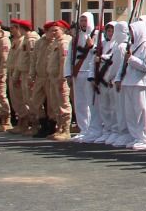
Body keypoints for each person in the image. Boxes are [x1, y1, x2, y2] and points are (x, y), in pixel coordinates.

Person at [116, 16, 146, 150]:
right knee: (131, 112)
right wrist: (119, 78)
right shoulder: (132, 46)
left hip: (140, 83)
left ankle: (144, 137)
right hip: (129, 81)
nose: (131, 34)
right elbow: (123, 64)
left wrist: (131, 59)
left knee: (141, 111)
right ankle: (135, 136)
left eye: (132, 31)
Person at [68, 13, 100, 144]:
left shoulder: (96, 35)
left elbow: (99, 52)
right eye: (81, 20)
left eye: (85, 20)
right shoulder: (75, 38)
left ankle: (92, 129)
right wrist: (68, 74)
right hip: (77, 72)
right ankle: (83, 129)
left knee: (89, 102)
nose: (82, 23)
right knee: (79, 102)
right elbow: (70, 56)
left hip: (89, 72)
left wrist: (92, 46)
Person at [38, 20, 72, 140]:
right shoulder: (55, 43)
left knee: (63, 104)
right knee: (55, 104)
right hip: (52, 77)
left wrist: (62, 78)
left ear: (63, 30)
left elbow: (64, 62)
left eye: (56, 30)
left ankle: (66, 129)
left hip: (59, 78)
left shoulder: (64, 43)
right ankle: (59, 128)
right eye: (52, 30)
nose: (53, 32)